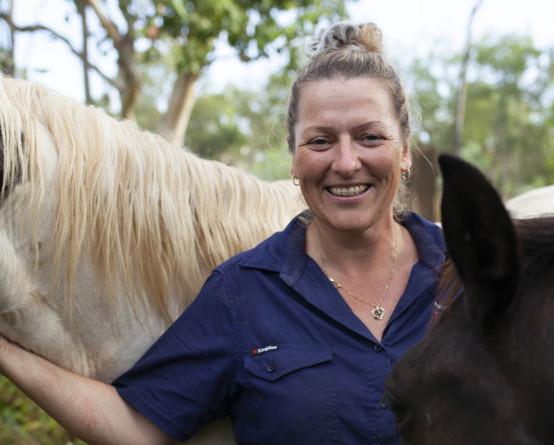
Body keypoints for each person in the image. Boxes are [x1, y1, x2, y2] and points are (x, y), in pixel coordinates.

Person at [0, 21, 446, 444]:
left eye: (369, 137)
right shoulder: (242, 291)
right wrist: (8, 352)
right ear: (294, 158)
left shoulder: (469, 272)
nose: (346, 162)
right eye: (320, 141)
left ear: (404, 150)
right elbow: (135, 424)